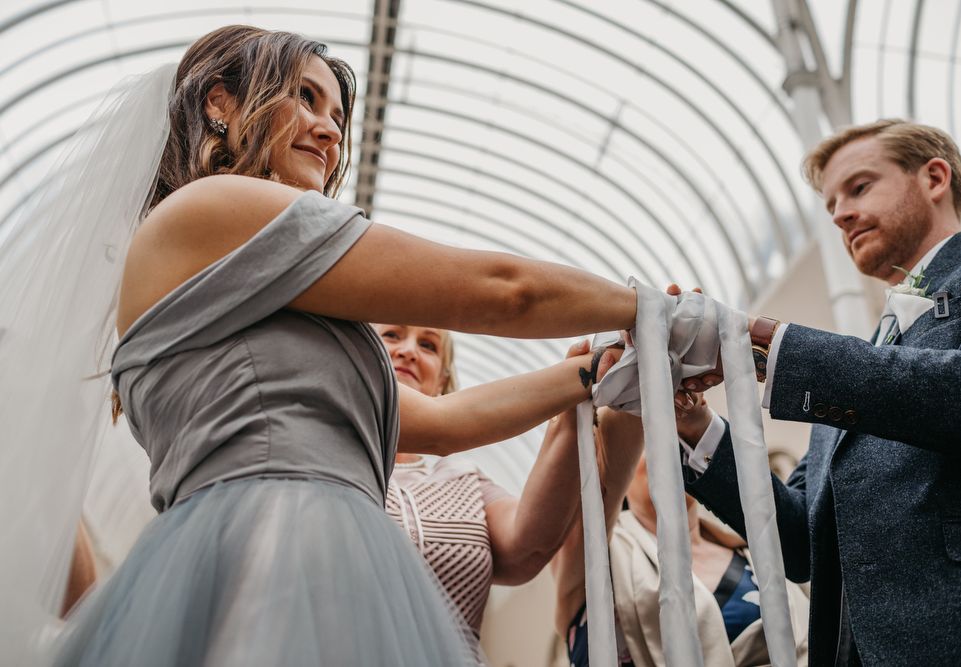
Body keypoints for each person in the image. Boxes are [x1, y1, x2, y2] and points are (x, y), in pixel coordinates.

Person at [16, 24, 654, 665]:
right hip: (270, 544)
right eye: (305, 98)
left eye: (338, 116)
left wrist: (599, 369)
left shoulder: (260, 292)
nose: (331, 130)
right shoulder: (208, 210)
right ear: (220, 104)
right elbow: (499, 290)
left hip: (294, 540)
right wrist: (655, 313)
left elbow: (442, 422)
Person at [680, 119, 961, 665]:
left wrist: (756, 342)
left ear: (933, 178)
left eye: (858, 187)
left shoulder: (834, 374)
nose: (838, 214)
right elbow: (799, 543)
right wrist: (694, 425)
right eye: (831, 203)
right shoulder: (852, 369)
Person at [377, 324, 620, 636]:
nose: (409, 351)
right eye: (392, 335)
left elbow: (528, 546)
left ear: (443, 381)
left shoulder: (465, 480)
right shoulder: (317, 458)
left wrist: (571, 411)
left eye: (428, 345)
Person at [552, 395, 809, 666]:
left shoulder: (752, 550)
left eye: (672, 437)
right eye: (647, 440)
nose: (665, 449)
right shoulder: (596, 558)